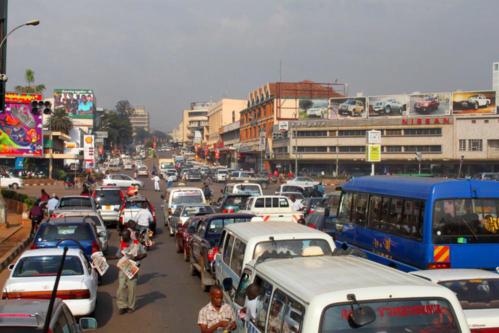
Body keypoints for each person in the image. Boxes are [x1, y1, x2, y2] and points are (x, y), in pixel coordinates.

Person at [115, 229, 147, 314]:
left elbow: (144, 253)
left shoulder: (136, 244)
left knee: (132, 287)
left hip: (133, 267)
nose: (123, 237)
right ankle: (122, 306)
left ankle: (131, 306)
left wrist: (137, 257)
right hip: (123, 267)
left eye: (124, 236)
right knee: (121, 287)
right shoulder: (122, 244)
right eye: (122, 236)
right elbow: (117, 255)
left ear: (129, 235)